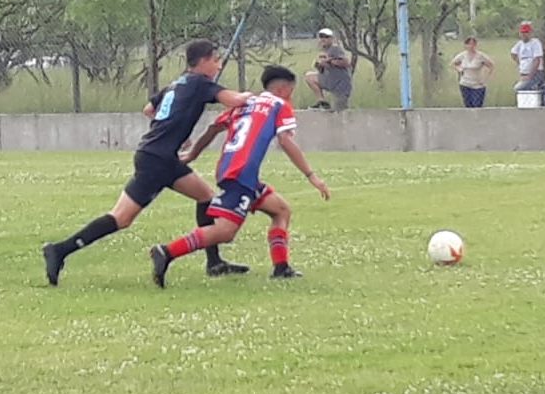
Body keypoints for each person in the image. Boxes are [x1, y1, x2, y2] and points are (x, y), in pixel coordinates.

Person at [42, 39, 253, 286]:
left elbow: (149, 109)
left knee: (205, 196)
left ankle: (214, 263)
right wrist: (257, 97)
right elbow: (236, 100)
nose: (218, 65)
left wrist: (171, 129)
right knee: (121, 218)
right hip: (157, 160)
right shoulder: (200, 83)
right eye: (215, 60)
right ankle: (60, 250)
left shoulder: (177, 83)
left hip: (158, 155)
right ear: (203, 60)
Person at [150, 65, 331, 288]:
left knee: (281, 210)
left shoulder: (244, 103)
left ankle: (281, 268)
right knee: (225, 232)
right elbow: (285, 140)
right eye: (291, 92)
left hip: (233, 170)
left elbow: (213, 128)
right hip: (241, 173)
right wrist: (311, 175)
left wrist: (193, 154)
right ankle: (167, 252)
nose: (290, 97)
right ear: (283, 89)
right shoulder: (279, 105)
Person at [305, 28, 353, 111]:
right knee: (309, 77)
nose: (323, 39)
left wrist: (329, 61)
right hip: (330, 80)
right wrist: (319, 65)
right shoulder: (324, 50)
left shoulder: (335, 48)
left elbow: (346, 63)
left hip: (340, 84)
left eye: (326, 37)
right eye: (321, 36)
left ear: (331, 38)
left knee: (339, 111)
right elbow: (323, 69)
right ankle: (322, 102)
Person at [451, 37, 494, 108]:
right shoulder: (462, 55)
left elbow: (491, 65)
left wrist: (485, 78)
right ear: (465, 45)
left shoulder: (480, 56)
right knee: (468, 105)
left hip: (478, 84)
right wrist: (459, 69)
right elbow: (453, 63)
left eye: (473, 44)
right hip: (465, 83)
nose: (471, 46)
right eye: (469, 44)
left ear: (476, 45)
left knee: (477, 105)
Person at [511, 21, 545, 91]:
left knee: (518, 88)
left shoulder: (535, 43)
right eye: (522, 32)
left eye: (526, 32)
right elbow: (513, 53)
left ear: (530, 33)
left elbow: (537, 61)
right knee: (519, 88)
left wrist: (530, 76)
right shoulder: (519, 44)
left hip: (535, 74)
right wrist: (519, 63)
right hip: (523, 73)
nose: (524, 34)